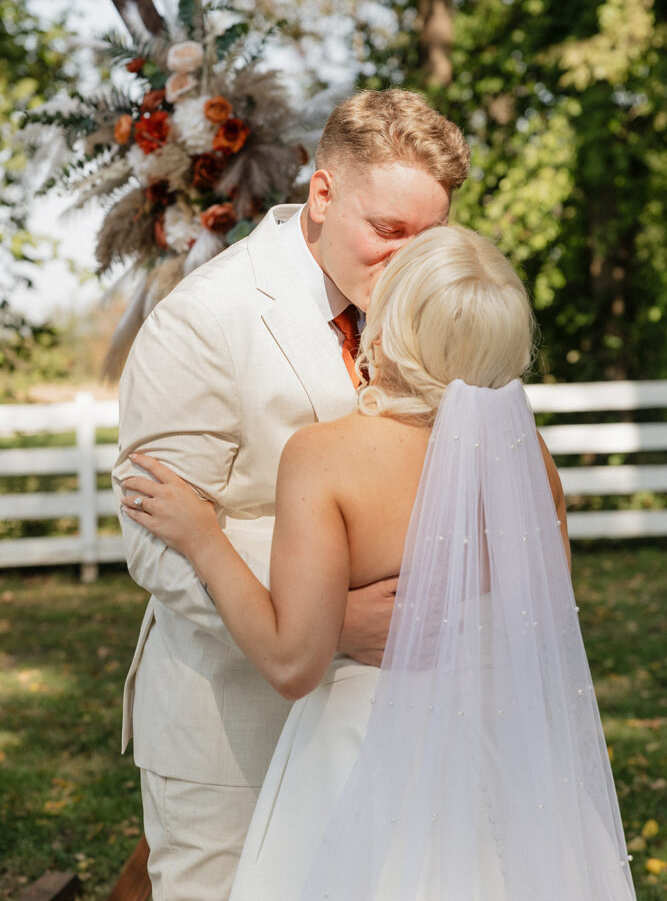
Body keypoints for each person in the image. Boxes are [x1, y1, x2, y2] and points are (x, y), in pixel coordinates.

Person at [121, 225, 636, 901]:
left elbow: (290, 664)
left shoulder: (325, 456)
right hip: (503, 767)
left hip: (361, 760)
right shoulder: (528, 458)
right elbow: (536, 625)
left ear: (389, 331)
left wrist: (203, 538)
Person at [113, 88, 471, 901]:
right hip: (232, 723)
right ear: (321, 192)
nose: (411, 260)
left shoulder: (429, 310)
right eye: (388, 232)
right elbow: (155, 536)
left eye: (430, 237)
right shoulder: (203, 319)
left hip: (385, 720)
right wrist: (324, 622)